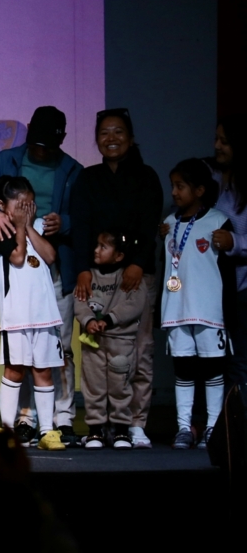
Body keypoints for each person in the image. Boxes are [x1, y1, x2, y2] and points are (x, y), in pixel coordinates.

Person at [0, 106, 82, 447]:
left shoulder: (71, 170)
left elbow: (59, 245)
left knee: (53, 357)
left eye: (48, 145)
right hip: (16, 307)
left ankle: (57, 422)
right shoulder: (5, 161)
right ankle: (20, 422)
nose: (41, 152)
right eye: (35, 144)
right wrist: (0, 217)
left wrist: (60, 222)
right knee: (17, 366)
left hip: (49, 293)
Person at [72, 108, 163, 449]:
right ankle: (100, 425)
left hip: (136, 276)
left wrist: (138, 263)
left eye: (118, 132)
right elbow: (80, 226)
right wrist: (82, 267)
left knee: (139, 352)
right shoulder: (88, 178)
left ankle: (135, 423)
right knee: (98, 354)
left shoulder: (146, 176)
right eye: (104, 133)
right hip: (95, 277)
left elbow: (149, 222)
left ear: (131, 136)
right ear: (96, 139)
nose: (111, 139)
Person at [160, 159, 234, 449]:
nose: (175, 192)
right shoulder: (168, 224)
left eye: (181, 186)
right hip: (176, 310)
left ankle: (213, 428)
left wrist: (228, 314)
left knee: (213, 371)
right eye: (173, 186)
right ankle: (183, 427)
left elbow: (227, 272)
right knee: (183, 369)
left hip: (209, 311)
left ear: (200, 190)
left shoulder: (218, 222)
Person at [0, 175, 66, 451]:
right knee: (14, 371)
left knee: (43, 370)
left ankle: (47, 430)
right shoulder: (1, 234)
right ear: (2, 206)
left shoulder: (34, 229)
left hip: (44, 316)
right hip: (16, 318)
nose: (25, 210)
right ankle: (7, 429)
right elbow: (18, 257)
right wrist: (20, 226)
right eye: (20, 205)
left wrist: (29, 226)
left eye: (30, 205)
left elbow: (49, 256)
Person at [74, 228, 147, 449]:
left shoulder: (130, 277)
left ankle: (121, 431)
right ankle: (96, 430)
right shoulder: (89, 276)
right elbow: (80, 301)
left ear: (119, 255)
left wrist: (110, 319)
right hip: (94, 344)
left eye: (103, 247)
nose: (96, 250)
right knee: (94, 387)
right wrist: (88, 320)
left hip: (121, 343)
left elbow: (135, 304)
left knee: (120, 387)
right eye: (96, 245)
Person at [209, 114, 246, 388]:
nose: (217, 146)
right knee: (219, 362)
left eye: (225, 141)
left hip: (242, 291)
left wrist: (235, 242)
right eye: (216, 139)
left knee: (240, 363)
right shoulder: (216, 181)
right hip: (216, 289)